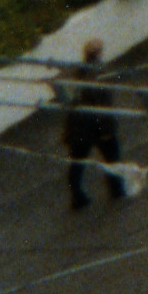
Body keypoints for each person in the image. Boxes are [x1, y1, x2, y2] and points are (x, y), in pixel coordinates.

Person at [60, 42, 128, 210]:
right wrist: (107, 130)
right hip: (96, 125)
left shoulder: (77, 72)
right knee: (112, 158)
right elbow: (102, 104)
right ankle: (117, 189)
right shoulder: (100, 73)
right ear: (98, 53)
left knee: (77, 162)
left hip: (77, 125)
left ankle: (77, 196)